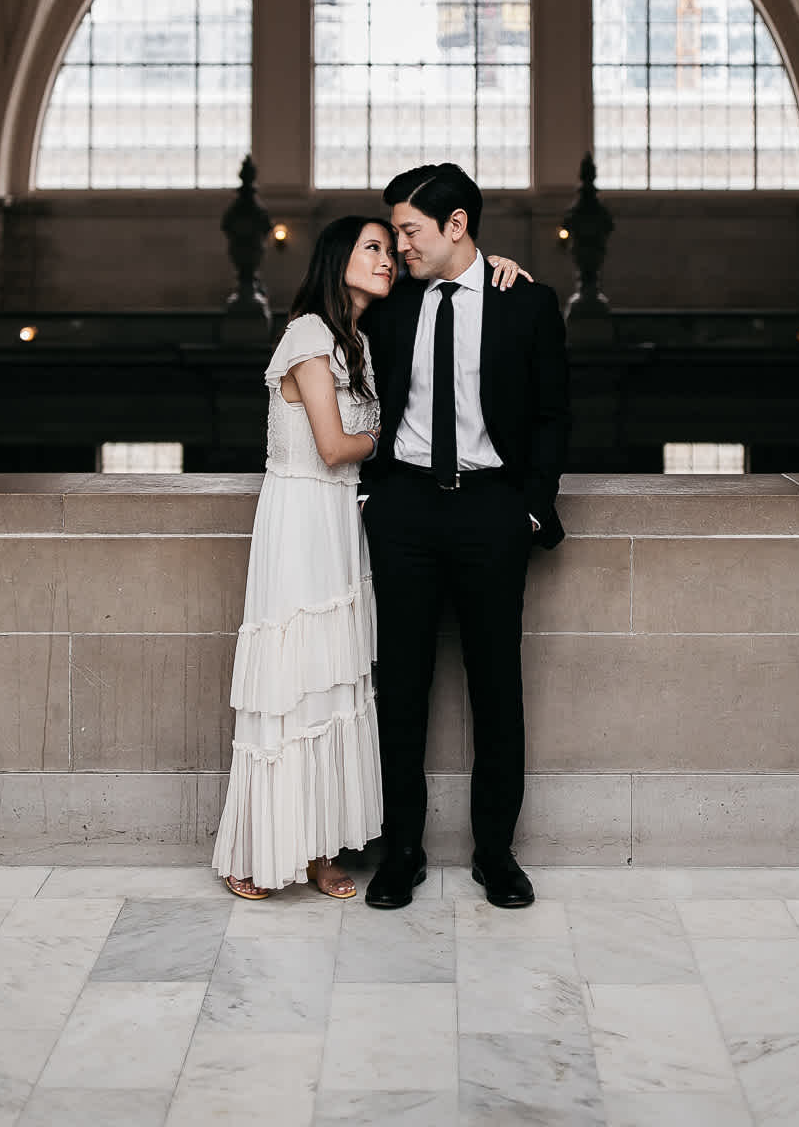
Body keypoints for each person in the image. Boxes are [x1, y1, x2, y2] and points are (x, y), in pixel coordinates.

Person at [212, 213, 530, 901]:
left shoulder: (355, 336)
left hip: (340, 522)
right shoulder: (305, 333)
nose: (389, 259)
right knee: (291, 685)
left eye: (392, 248)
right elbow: (332, 446)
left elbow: (460, 282)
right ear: (337, 258)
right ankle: (256, 851)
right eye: (374, 248)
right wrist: (396, 439)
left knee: (335, 684)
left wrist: (501, 268)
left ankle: (319, 852)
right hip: (301, 521)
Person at [360, 162, 569, 910]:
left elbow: (551, 417)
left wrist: (530, 509)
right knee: (401, 691)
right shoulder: (388, 305)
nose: (398, 247)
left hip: (490, 513)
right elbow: (329, 303)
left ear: (457, 227)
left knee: (496, 690)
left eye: (409, 231)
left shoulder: (528, 304)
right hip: (406, 512)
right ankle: (401, 852)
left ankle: (496, 855)